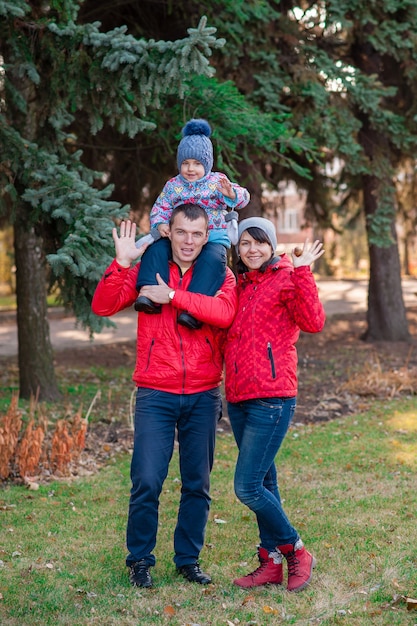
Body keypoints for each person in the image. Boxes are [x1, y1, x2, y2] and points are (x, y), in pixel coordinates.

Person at [92, 204, 237, 589]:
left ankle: (187, 559)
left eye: (197, 234)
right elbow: (103, 305)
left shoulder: (221, 273)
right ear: (168, 232)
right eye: (182, 232)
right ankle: (140, 559)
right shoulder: (149, 267)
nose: (189, 241)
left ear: (207, 236)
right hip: (156, 392)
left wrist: (173, 295)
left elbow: (223, 313)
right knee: (146, 480)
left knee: (197, 483)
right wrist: (122, 264)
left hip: (204, 394)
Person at [224, 217, 326, 593]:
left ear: (272, 244)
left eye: (259, 242)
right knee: (265, 480)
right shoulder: (240, 285)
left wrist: (303, 273)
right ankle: (269, 562)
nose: (252, 250)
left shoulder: (286, 277)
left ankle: (297, 550)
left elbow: (313, 322)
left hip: (273, 396)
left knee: (248, 487)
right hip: (238, 397)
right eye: (245, 243)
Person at [134, 118, 250, 329]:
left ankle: (193, 310)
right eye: (185, 163)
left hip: (213, 235)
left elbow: (243, 197)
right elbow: (161, 206)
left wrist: (231, 194)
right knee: (156, 249)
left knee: (212, 262)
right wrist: (160, 223)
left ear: (207, 164)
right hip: (179, 235)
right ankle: (149, 293)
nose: (190, 169)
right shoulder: (173, 185)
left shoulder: (216, 182)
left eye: (197, 164)